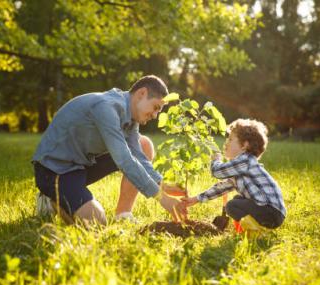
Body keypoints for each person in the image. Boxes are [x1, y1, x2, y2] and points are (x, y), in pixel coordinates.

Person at [32, 75, 187, 226]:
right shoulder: (106, 107)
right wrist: (162, 198)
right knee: (96, 221)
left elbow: (138, 156)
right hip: (54, 170)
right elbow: (124, 160)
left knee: (144, 144)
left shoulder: (132, 118)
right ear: (142, 93)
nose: (154, 115)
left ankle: (123, 215)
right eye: (155, 108)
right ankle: (51, 199)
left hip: (81, 165)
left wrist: (163, 185)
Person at [182, 119, 286, 231]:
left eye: (231, 139)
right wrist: (196, 199)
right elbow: (221, 188)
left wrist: (216, 160)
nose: (226, 142)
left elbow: (217, 171)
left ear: (244, 145)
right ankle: (248, 229)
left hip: (270, 211)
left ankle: (255, 231)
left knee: (232, 206)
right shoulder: (241, 168)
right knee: (237, 199)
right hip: (272, 212)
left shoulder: (245, 161)